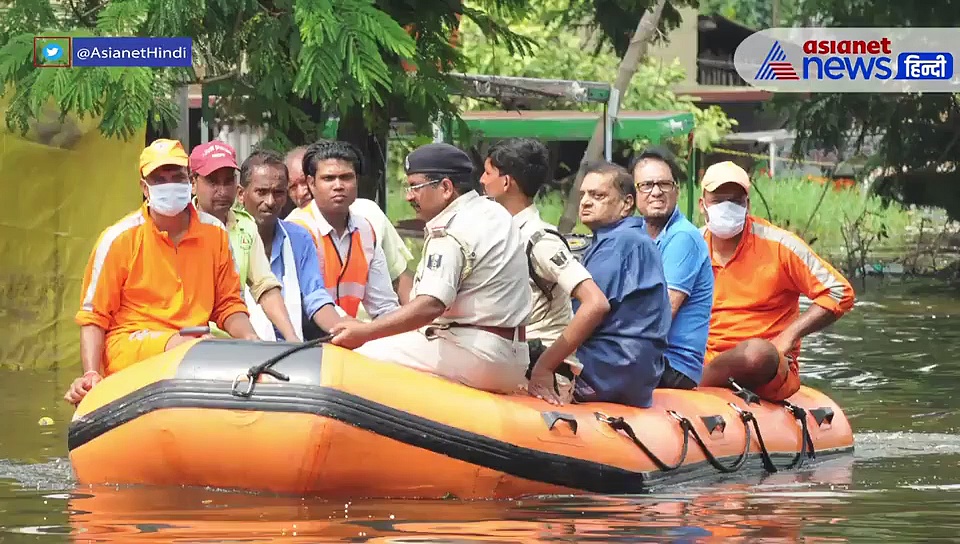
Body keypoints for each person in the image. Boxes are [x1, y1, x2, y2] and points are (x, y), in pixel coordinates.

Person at [65, 139, 259, 405]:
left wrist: (250, 339)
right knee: (196, 346)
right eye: (159, 179)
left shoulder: (215, 233)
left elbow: (228, 304)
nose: (169, 184)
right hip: (132, 345)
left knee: (211, 349)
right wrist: (90, 374)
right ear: (144, 188)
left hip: (195, 345)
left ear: (189, 180)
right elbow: (94, 316)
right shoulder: (119, 239)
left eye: (176, 176)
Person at [329, 143, 532, 394]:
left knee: (356, 357)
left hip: (475, 352)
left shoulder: (450, 229)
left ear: (446, 188)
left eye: (415, 186)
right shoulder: (493, 212)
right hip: (511, 355)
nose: (409, 196)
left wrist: (365, 331)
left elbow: (431, 304)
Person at [698, 161, 856, 401]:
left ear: (747, 205)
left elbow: (839, 291)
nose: (727, 207)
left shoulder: (779, 245)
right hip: (700, 357)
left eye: (736, 201)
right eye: (718, 200)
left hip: (764, 367)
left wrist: (787, 337)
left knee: (757, 353)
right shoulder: (691, 245)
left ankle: (694, 382)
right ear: (703, 205)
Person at [479, 137, 609, 405]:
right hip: (506, 359)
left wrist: (544, 368)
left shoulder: (540, 241)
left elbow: (596, 303)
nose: (481, 180)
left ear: (506, 182)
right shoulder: (500, 233)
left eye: (488, 173)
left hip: (538, 370)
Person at [574, 161, 670, 408]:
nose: (585, 202)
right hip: (632, 370)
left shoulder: (620, 243)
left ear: (627, 204)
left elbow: (583, 311)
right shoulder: (627, 239)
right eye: (583, 195)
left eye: (597, 195)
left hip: (609, 367)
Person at [190, 140, 300, 342]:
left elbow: (264, 286)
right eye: (213, 182)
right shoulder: (180, 226)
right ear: (193, 183)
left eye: (228, 181)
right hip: (190, 338)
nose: (222, 191)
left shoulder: (245, 226)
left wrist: (291, 337)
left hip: (235, 337)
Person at [237, 149, 351, 340]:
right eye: (261, 192)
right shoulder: (225, 238)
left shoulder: (298, 238)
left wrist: (342, 328)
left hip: (292, 347)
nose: (270, 202)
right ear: (241, 194)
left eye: (278, 193)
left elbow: (315, 297)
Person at [286, 144, 415, 303]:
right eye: (328, 178)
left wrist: (415, 318)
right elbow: (312, 304)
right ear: (313, 182)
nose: (301, 192)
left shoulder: (367, 222)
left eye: (346, 177)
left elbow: (389, 294)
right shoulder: (294, 230)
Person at [631, 147, 714, 390]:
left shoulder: (683, 237)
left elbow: (660, 315)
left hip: (673, 365)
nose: (656, 192)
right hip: (644, 355)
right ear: (632, 194)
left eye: (664, 184)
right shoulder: (635, 233)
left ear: (676, 190)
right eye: (646, 185)